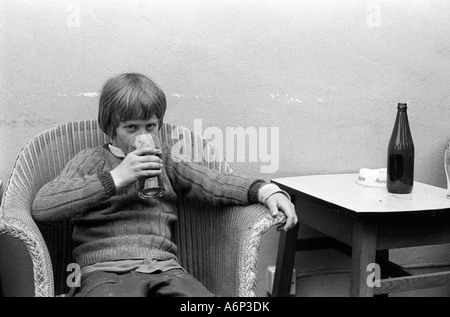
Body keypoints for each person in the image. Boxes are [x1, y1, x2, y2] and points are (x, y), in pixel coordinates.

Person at [32, 72, 298, 297]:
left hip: (164, 268)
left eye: (150, 126)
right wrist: (116, 178)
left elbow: (212, 181)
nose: (143, 136)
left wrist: (265, 191)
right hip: (103, 271)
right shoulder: (93, 160)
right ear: (110, 128)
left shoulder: (166, 159)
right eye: (131, 128)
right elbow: (44, 207)